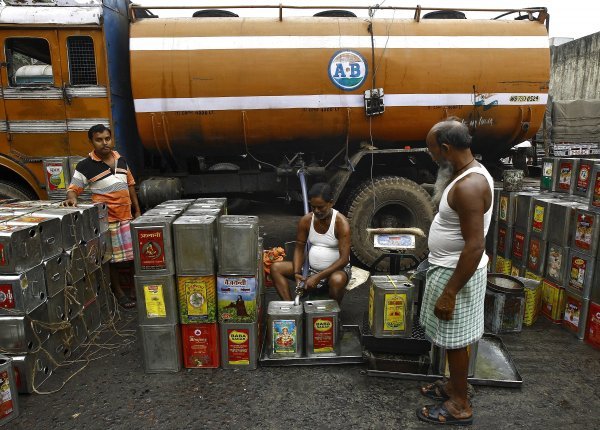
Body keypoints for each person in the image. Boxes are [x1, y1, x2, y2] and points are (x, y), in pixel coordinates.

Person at [417, 119, 493, 426]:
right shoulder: (463, 173)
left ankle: (460, 403)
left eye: (433, 150)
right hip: (448, 268)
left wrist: (449, 293)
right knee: (451, 338)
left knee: (455, 341)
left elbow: (475, 246)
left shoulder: (470, 186)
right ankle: (453, 386)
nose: (432, 156)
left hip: (456, 276)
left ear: (446, 148)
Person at [63, 124, 141, 309]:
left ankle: (133, 290)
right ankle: (119, 293)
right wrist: (72, 199)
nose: (104, 143)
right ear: (92, 142)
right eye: (99, 140)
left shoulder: (121, 160)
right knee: (111, 260)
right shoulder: (85, 165)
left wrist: (137, 211)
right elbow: (73, 189)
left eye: (107, 138)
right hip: (106, 220)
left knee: (132, 258)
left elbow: (130, 185)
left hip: (126, 217)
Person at [270, 183, 351, 305]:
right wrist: (297, 273)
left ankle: (333, 313)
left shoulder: (341, 222)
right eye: (313, 207)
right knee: (275, 268)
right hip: (311, 270)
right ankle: (291, 308)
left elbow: (344, 259)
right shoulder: (306, 220)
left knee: (337, 280)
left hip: (335, 271)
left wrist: (317, 278)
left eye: (321, 207)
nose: (316, 211)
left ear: (331, 203)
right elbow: (299, 248)